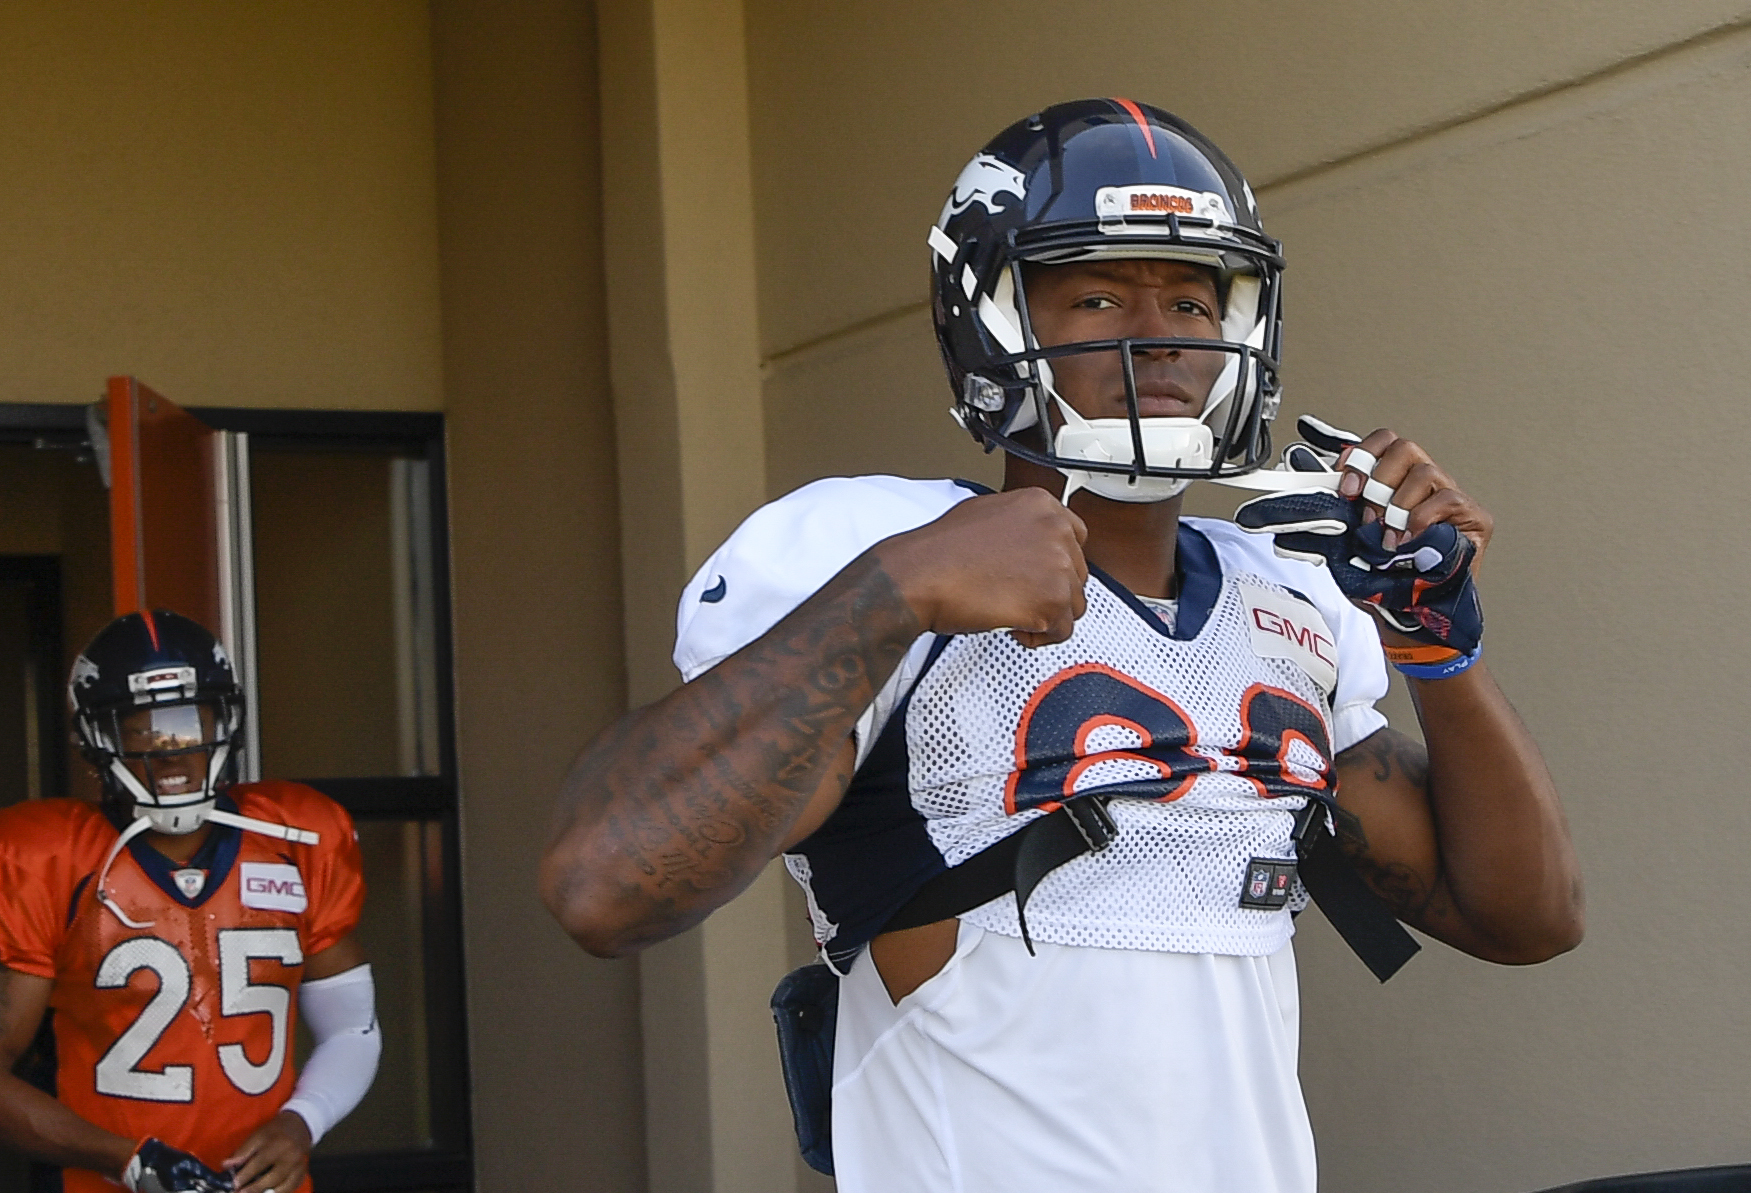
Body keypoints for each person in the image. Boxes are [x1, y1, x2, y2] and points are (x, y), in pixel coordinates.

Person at [539, 99, 1583, 1192]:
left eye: (1192, 296)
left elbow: (1521, 918)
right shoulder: (870, 554)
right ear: (987, 317)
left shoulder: (1287, 597)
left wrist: (1436, 653)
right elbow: (600, 887)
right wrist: (891, 590)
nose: (1162, 333)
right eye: (1095, 293)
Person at [0, 610, 382, 1193]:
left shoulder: (297, 837)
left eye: (188, 720)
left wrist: (303, 1122)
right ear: (100, 739)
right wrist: (123, 1159)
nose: (171, 748)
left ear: (223, 721)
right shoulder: (51, 857)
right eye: (142, 727)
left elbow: (352, 1029)